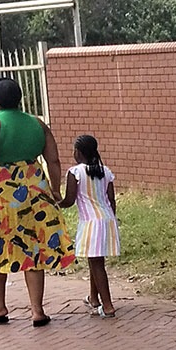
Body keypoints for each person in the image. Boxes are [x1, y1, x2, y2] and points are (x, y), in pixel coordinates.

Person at [0, 76, 73, 326]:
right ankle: (37, 310)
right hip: (34, 188)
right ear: (20, 99)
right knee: (33, 246)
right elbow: (54, 160)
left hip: (2, 191)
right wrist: (55, 190)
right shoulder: (37, 123)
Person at [63, 133, 121, 318]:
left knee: (97, 265)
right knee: (95, 260)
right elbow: (111, 199)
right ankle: (94, 299)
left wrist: (55, 201)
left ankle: (108, 305)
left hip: (90, 222)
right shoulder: (105, 171)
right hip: (107, 219)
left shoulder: (75, 172)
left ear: (78, 152)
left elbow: (69, 200)